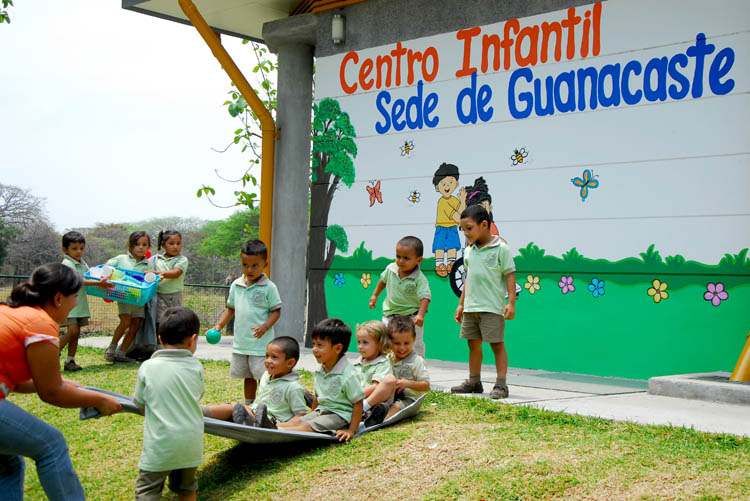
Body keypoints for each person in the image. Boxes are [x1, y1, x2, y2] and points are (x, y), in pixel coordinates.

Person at [0, 263, 122, 501]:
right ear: (58, 298)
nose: (76, 304)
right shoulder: (40, 322)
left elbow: (19, 382)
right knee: (51, 445)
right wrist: (100, 399)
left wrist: (64, 383)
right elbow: (52, 393)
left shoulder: (11, 312)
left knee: (8, 463)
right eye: (74, 297)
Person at [133, 306, 204, 501]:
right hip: (191, 445)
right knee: (187, 488)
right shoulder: (196, 366)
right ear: (193, 339)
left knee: (148, 491)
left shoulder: (148, 367)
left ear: (159, 338)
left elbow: (140, 403)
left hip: (160, 445)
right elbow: (197, 394)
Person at [452, 205, 517, 399]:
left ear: (485, 224)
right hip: (471, 306)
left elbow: (510, 275)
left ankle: (501, 384)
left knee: (496, 344)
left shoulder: (501, 249)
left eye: (469, 228)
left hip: (491, 307)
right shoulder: (469, 251)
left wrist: (511, 302)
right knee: (473, 344)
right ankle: (474, 382)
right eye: (463, 229)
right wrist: (461, 304)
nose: (466, 233)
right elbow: (468, 278)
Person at [212, 239, 282, 405]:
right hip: (242, 343)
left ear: (265, 264)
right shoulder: (236, 285)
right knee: (248, 376)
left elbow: (276, 311)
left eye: (254, 266)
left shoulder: (269, 287)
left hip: (261, 345)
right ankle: (250, 405)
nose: (249, 270)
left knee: (263, 376)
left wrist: (265, 327)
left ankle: (265, 405)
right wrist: (219, 325)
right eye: (245, 265)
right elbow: (230, 308)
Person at [278, 319, 364, 442]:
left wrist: (351, 430)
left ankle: (278, 431)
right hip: (321, 411)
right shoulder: (321, 369)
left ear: (338, 348)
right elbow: (318, 396)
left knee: (307, 426)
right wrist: (311, 415)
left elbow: (358, 403)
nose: (314, 349)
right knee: (299, 420)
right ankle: (272, 426)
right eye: (313, 344)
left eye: (320, 345)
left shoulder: (348, 374)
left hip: (339, 416)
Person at [205, 336, 307, 428]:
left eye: (274, 357)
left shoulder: (293, 386)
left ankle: (202, 412)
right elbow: (260, 401)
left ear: (290, 363)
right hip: (255, 412)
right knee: (234, 407)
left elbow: (300, 415)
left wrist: (279, 426)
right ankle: (203, 412)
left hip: (271, 422)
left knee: (235, 408)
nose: (268, 361)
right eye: (267, 356)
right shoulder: (266, 376)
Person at [58, 231, 112, 372]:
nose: (79, 252)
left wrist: (102, 279)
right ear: (65, 249)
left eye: (81, 248)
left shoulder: (82, 264)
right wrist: (98, 283)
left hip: (80, 305)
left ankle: (70, 360)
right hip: (68, 305)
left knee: (76, 333)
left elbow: (91, 276)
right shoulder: (67, 263)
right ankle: (54, 350)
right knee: (72, 331)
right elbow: (78, 281)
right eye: (74, 248)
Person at [369, 236, 431, 357]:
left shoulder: (419, 278)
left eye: (406, 258)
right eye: (398, 256)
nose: (401, 261)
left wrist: (421, 315)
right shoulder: (391, 269)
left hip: (411, 318)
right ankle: (388, 367)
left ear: (418, 260)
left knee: (415, 343)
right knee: (387, 342)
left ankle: (418, 367)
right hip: (390, 315)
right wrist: (375, 295)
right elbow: (383, 281)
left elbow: (425, 297)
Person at [104, 230, 152, 364]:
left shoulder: (149, 264)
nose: (141, 247)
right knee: (125, 321)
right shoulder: (121, 259)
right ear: (130, 245)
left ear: (148, 247)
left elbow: (152, 279)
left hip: (139, 299)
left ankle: (122, 353)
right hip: (124, 296)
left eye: (144, 244)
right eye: (137, 244)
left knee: (136, 325)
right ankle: (111, 350)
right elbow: (106, 268)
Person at [352, 320, 396, 427]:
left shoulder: (382, 363)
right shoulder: (357, 363)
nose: (360, 346)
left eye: (365, 342)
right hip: (356, 399)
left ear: (379, 344)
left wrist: (357, 396)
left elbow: (375, 387)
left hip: (372, 400)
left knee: (389, 380)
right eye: (359, 342)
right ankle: (325, 405)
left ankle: (366, 410)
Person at [385, 315, 430, 420]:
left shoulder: (416, 361)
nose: (402, 348)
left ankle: (381, 421)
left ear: (414, 339)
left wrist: (408, 383)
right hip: (390, 396)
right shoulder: (388, 358)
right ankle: (372, 412)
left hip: (409, 400)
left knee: (396, 407)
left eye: (406, 343)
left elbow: (426, 385)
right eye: (397, 343)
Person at [147, 230, 189, 326]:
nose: (175, 246)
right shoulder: (155, 260)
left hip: (175, 296)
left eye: (178, 243)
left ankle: (171, 341)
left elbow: (175, 273)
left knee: (175, 322)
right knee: (161, 322)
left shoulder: (182, 259)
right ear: (163, 245)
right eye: (171, 243)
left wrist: (156, 274)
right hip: (159, 296)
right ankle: (160, 341)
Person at [431, 162, 465, 277]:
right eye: (443, 183)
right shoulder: (442, 202)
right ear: (437, 187)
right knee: (440, 247)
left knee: (452, 246)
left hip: (452, 228)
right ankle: (440, 264)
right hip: (442, 228)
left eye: (450, 182)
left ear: (456, 183)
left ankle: (451, 263)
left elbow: (462, 212)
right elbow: (457, 217)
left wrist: (463, 201)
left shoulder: (454, 200)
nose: (447, 186)